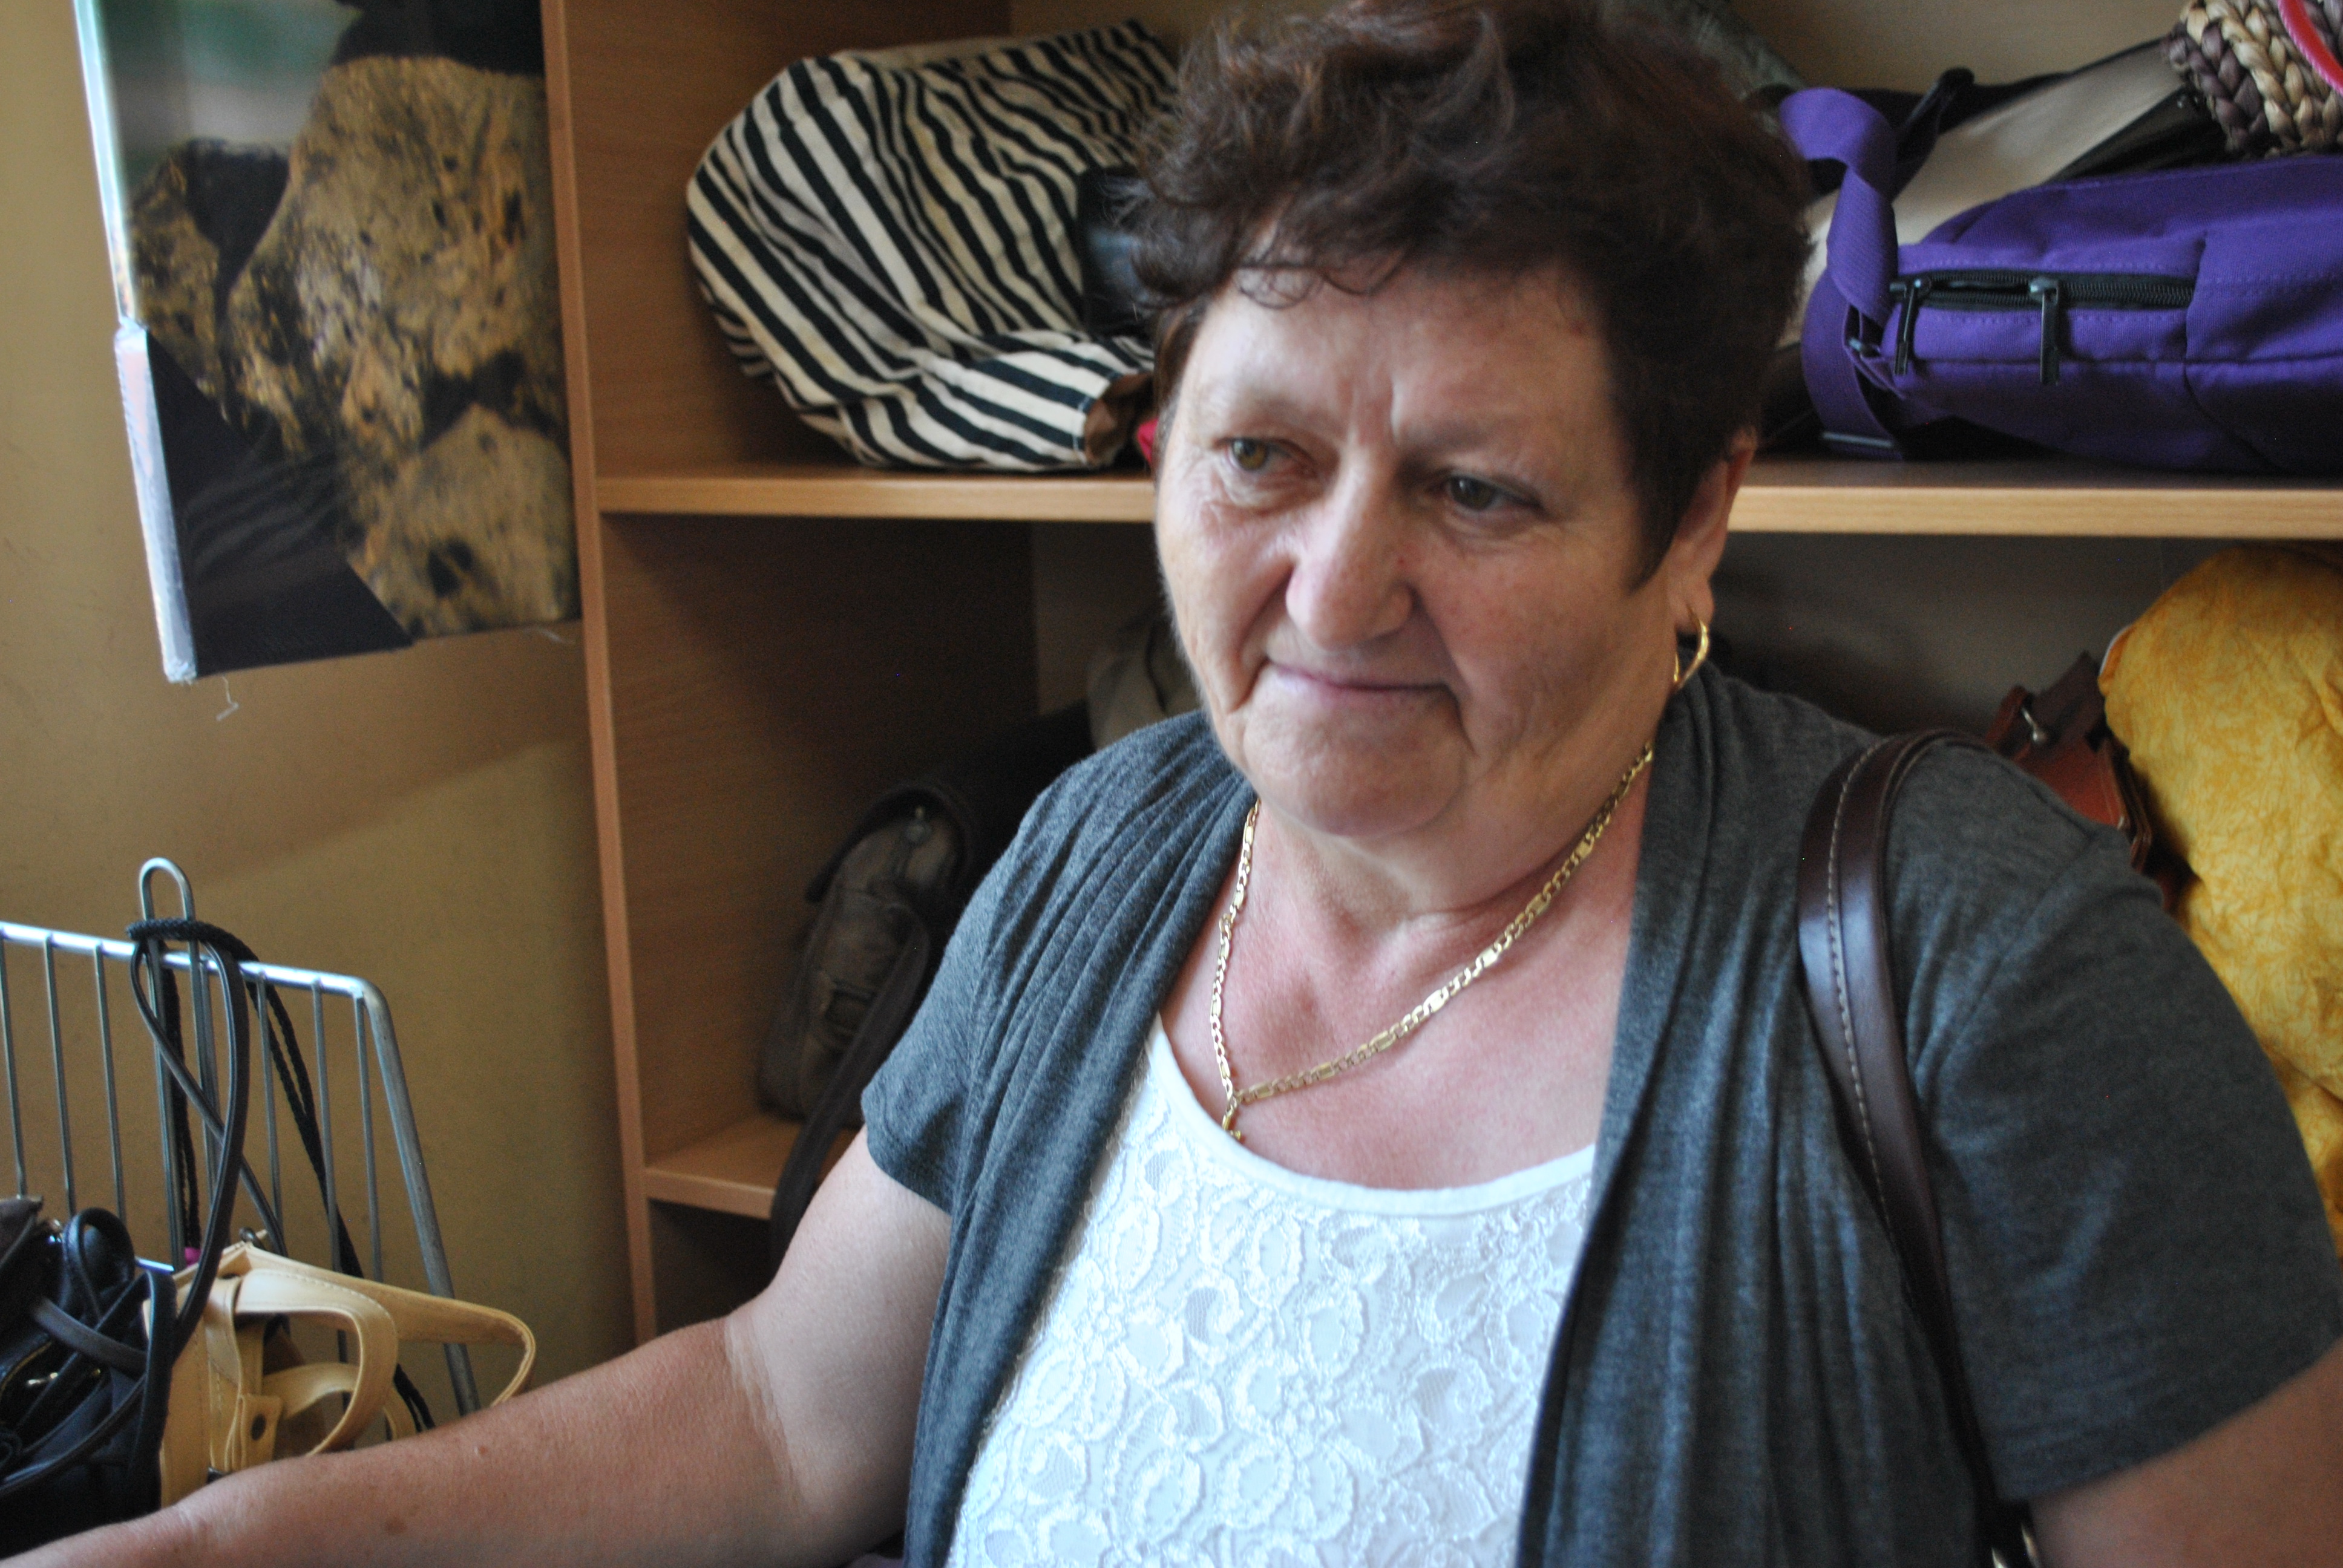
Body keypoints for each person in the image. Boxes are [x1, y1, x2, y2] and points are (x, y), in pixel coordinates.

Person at [26, 2, 2343, 1564]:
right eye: (1259, 456)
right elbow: (777, 1416)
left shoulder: (1986, 981)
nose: (1334, 590)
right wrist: (227, 1542)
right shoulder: (1100, 852)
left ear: (1696, 515)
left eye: (1478, 491)